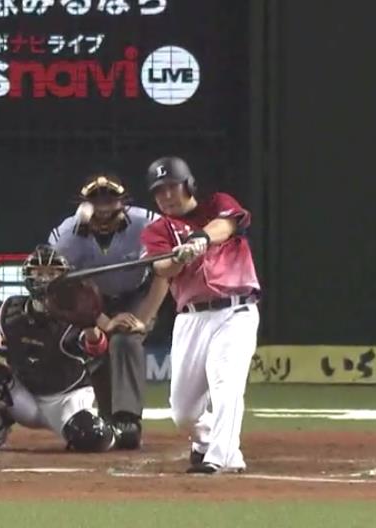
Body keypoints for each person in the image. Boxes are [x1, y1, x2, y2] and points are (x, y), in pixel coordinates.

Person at [139, 157, 262, 474]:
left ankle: (221, 457)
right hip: (191, 318)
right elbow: (161, 267)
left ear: (188, 185)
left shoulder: (218, 204)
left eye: (172, 187)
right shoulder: (157, 230)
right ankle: (206, 440)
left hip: (236, 310)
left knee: (226, 385)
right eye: (159, 191)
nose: (166, 195)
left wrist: (200, 239)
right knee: (183, 412)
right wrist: (178, 258)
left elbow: (227, 225)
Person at [47, 172, 167, 449]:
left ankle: (127, 421)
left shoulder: (148, 223)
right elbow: (62, 287)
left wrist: (142, 319)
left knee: (125, 340)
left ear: (123, 201)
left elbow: (163, 274)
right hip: (87, 301)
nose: (103, 207)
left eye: (110, 199)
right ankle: (105, 417)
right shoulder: (66, 235)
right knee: (94, 347)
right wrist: (102, 321)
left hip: (137, 295)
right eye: (95, 200)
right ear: (83, 203)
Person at [0, 244, 120, 452]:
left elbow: (97, 349)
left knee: (95, 438)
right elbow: (2, 349)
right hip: (25, 397)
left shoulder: (75, 313)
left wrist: (89, 324)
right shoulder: (11, 309)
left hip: (66, 399)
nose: (45, 279)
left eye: (52, 273)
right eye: (39, 273)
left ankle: (112, 430)